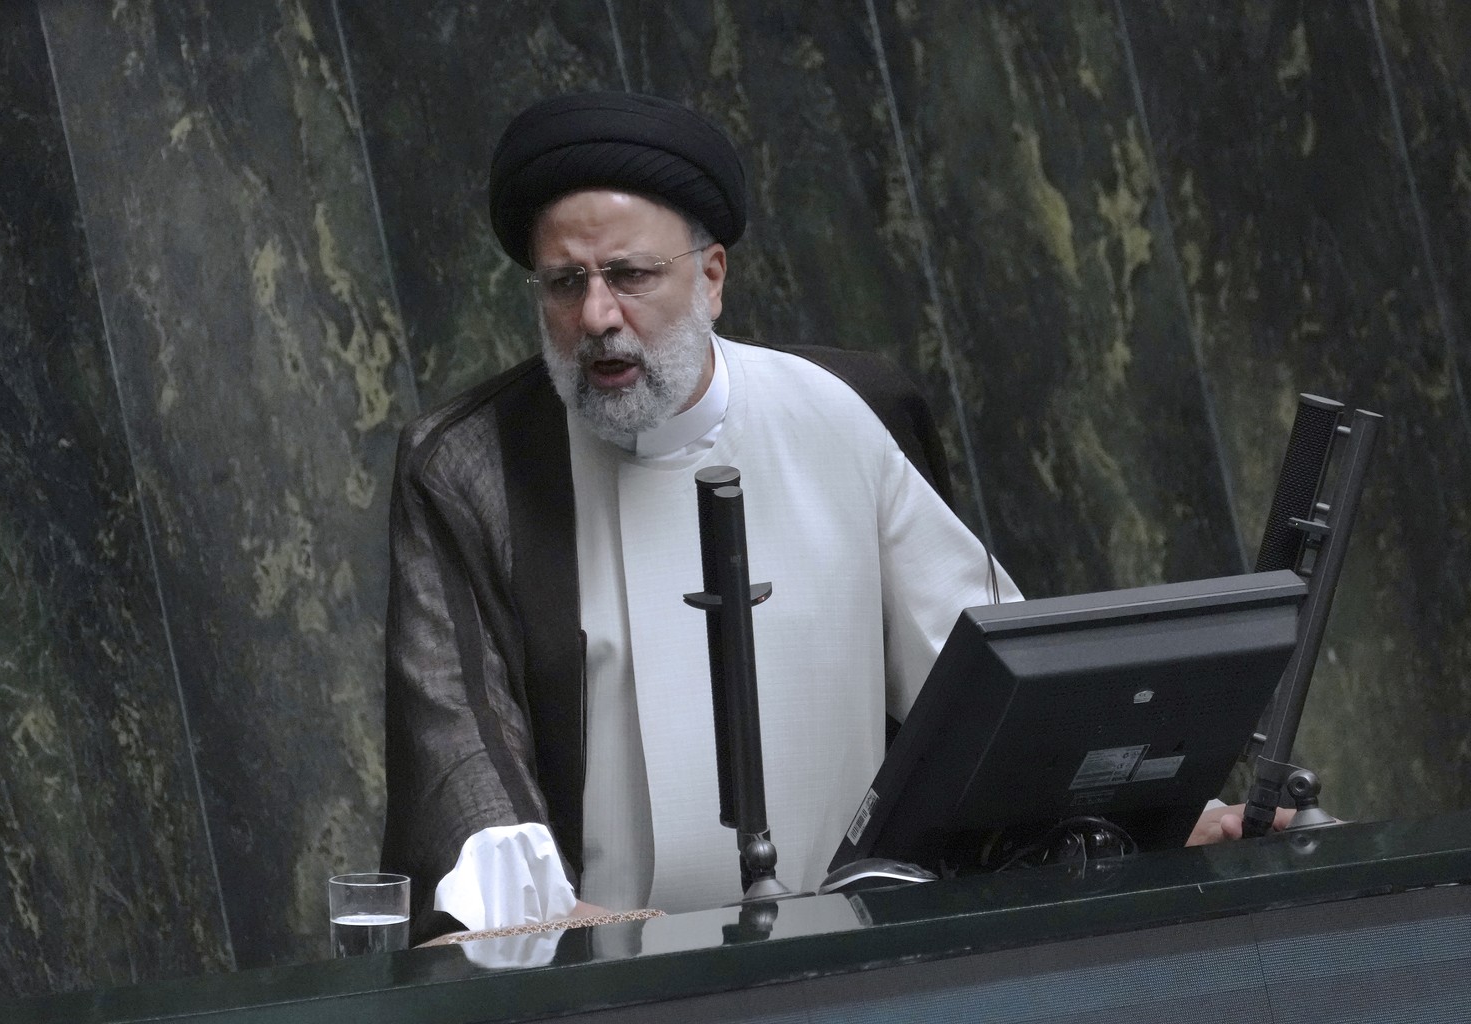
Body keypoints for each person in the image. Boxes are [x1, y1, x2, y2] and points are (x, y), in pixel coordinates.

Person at [379, 92, 1260, 944]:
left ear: (712, 276)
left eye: (631, 276)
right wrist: (581, 937)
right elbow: (461, 763)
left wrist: (1163, 813)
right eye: (566, 283)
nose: (598, 316)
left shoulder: (840, 410)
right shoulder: (471, 467)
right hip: (609, 978)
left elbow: (994, 679)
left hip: (849, 959)